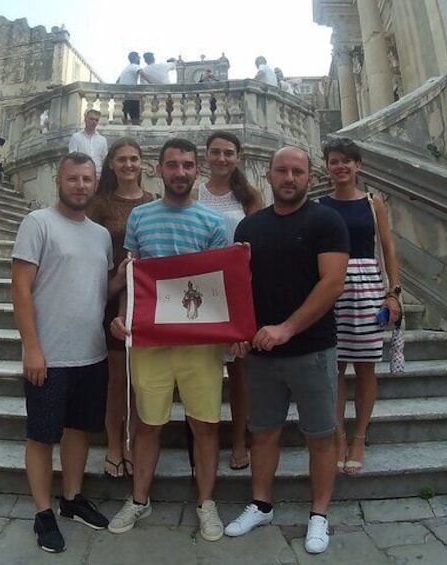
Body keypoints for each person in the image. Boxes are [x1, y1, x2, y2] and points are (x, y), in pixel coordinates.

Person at [226, 146, 350, 555]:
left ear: (308, 175)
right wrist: (240, 331)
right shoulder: (249, 228)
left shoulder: (326, 221)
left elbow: (331, 283)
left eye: (297, 171)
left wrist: (287, 328)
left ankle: (318, 515)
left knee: (320, 436)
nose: (289, 177)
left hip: (312, 349)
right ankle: (261, 504)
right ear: (269, 175)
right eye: (282, 170)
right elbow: (240, 288)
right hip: (261, 354)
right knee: (262, 434)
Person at [107, 138, 230, 542]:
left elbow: (222, 287)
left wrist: (233, 332)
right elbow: (131, 276)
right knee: (147, 425)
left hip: (199, 343)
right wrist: (123, 315)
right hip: (150, 341)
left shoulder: (213, 224)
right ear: (158, 170)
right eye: (173, 165)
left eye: (188, 165)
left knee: (206, 426)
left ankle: (206, 504)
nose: (180, 172)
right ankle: (139, 500)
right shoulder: (140, 218)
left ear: (198, 171)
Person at [11, 152, 128, 553]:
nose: (80, 185)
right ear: (58, 181)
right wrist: (31, 348)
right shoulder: (38, 223)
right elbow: (20, 288)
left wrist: (124, 277)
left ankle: (73, 498)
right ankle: (43, 513)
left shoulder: (98, 234)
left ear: (96, 183)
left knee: (80, 431)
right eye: (73, 178)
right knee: (42, 436)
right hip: (49, 354)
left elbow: (101, 288)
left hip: (92, 354)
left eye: (87, 179)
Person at [318, 137, 401, 476]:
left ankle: (359, 438)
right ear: (327, 167)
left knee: (366, 367)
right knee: (334, 369)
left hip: (368, 287)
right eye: (334, 161)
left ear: (358, 166)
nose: (340, 166)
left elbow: (388, 248)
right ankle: (337, 437)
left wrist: (393, 292)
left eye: (346, 161)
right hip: (331, 287)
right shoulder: (320, 205)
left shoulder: (372, 202)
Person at [194, 131, 263, 471]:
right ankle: (204, 440)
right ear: (206, 155)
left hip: (238, 289)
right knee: (203, 369)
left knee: (238, 373)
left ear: (238, 156)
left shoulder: (249, 195)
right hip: (203, 291)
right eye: (216, 152)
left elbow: (259, 243)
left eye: (228, 153)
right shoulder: (194, 193)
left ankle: (239, 441)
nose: (221, 158)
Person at [87, 138, 156, 479]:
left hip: (146, 298)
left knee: (140, 378)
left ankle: (134, 441)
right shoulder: (99, 205)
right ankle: (116, 444)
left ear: (142, 163)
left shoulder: (153, 202)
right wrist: (113, 283)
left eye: (134, 158)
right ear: (111, 164)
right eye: (122, 159)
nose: (128, 165)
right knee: (117, 378)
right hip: (112, 295)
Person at [68, 109, 108, 177]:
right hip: (81, 175)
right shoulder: (76, 137)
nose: (94, 122)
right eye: (91, 119)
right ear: (85, 119)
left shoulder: (102, 140)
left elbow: (104, 160)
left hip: (98, 176)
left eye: (96, 120)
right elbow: (72, 158)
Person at [116, 52, 150, 125]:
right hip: (131, 96)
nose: (140, 59)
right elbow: (143, 74)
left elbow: (117, 82)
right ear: (135, 58)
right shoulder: (135, 66)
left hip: (123, 97)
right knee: (135, 120)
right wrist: (153, 83)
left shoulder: (126, 69)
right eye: (139, 57)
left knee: (124, 119)